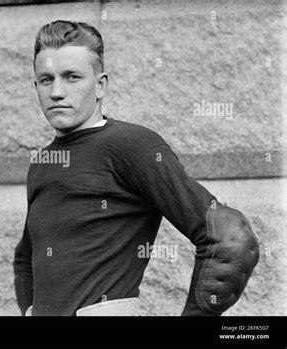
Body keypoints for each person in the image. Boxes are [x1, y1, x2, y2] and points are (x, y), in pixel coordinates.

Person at [13, 20, 259, 316]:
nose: (57, 92)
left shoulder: (131, 145)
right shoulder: (43, 163)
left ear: (100, 84)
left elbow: (232, 238)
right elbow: (26, 258)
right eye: (46, 79)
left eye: (72, 77)